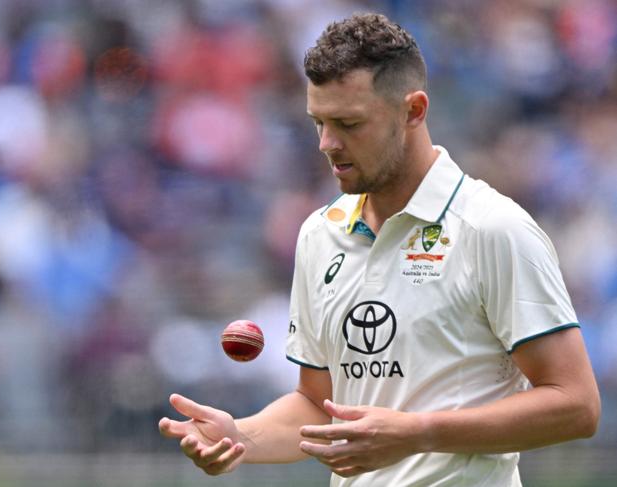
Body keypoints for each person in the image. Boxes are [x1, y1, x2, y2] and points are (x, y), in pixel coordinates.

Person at [158, 12, 600, 486]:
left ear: (414, 110)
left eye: (349, 123)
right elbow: (318, 405)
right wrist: (240, 437)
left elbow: (575, 404)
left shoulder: (493, 228)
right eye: (319, 122)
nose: (328, 144)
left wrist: (420, 433)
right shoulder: (318, 235)